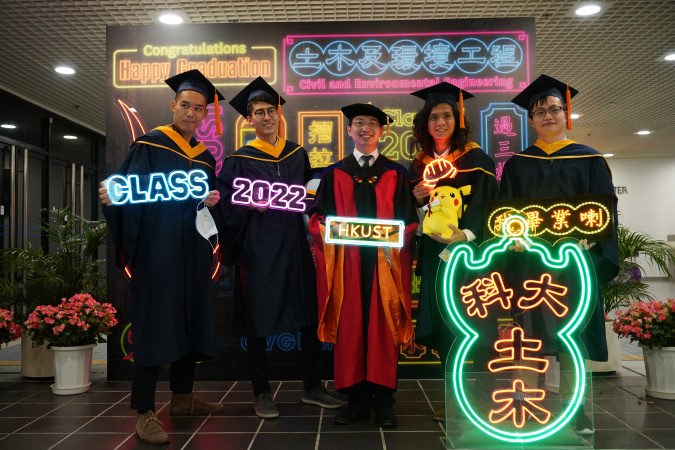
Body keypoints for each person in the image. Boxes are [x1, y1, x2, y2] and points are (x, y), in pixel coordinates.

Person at [99, 69, 225, 445]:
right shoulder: (150, 145)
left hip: (195, 252)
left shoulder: (204, 158)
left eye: (199, 108)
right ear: (173, 105)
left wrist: (211, 201)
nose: (191, 113)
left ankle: (183, 398)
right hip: (157, 252)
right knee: (154, 326)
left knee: (190, 318)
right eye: (185, 105)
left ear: (205, 115)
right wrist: (113, 202)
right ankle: (145, 411)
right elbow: (127, 196)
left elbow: (205, 202)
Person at [213, 77, 342, 419]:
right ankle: (262, 392)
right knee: (258, 320)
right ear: (249, 120)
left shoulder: (297, 153)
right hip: (259, 251)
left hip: (297, 250)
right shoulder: (238, 159)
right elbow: (224, 205)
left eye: (271, 111)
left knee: (308, 314)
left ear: (279, 114)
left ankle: (313, 387)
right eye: (259, 112)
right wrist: (246, 206)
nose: (267, 117)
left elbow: (310, 198)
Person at [501, 74, 619, 435]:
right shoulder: (519, 162)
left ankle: (575, 408)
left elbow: (605, 209)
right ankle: (526, 403)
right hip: (530, 264)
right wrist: (512, 237)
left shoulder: (590, 158)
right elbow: (506, 210)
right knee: (529, 336)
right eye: (540, 112)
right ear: (531, 120)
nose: (548, 116)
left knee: (573, 337)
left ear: (567, 114)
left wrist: (593, 241)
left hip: (574, 265)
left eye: (554, 109)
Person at [309, 103, 419, 428]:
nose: (365, 128)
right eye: (359, 123)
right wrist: (332, 231)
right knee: (351, 329)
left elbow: (409, 222)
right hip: (348, 266)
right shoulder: (333, 173)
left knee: (383, 329)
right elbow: (316, 220)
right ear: (349, 130)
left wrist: (393, 236)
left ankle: (384, 403)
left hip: (386, 267)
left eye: (372, 124)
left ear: (382, 132)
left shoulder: (396, 174)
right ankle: (355, 402)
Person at [407, 83, 499, 421]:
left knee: (471, 323)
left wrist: (466, 234)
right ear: (425, 123)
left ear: (458, 119)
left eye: (447, 115)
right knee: (444, 325)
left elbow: (489, 204)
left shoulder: (477, 159)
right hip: (434, 256)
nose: (440, 122)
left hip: (470, 256)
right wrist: (415, 200)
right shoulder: (418, 165)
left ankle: (483, 397)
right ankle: (453, 398)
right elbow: (407, 213)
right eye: (434, 117)